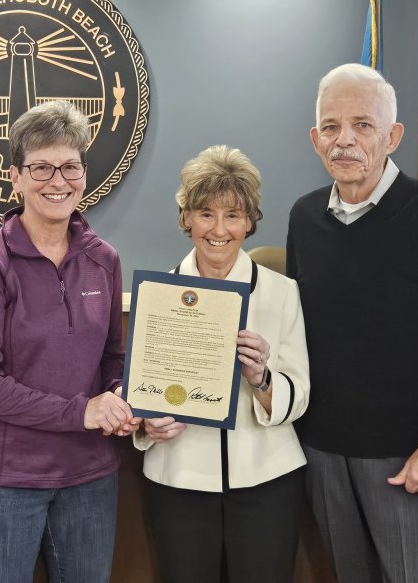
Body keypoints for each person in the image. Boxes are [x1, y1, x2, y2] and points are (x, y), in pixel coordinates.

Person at [286, 63, 418, 582]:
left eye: (363, 125)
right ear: (315, 139)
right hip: (326, 456)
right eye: (331, 127)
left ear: (393, 136)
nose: (344, 140)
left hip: (411, 458)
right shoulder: (304, 218)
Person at [0, 100, 137, 583]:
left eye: (70, 166)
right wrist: (80, 412)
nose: (58, 180)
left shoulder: (105, 259)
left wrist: (120, 395)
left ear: (84, 172)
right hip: (5, 481)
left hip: (91, 475)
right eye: (40, 167)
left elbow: (113, 357)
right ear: (14, 176)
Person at [134, 145, 310, 582]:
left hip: (268, 483)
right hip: (179, 482)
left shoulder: (282, 292)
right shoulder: (158, 296)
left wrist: (262, 378)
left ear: (250, 222)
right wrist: (146, 424)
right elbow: (141, 394)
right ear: (186, 218)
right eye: (205, 213)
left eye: (233, 215)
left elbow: (301, 392)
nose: (218, 229)